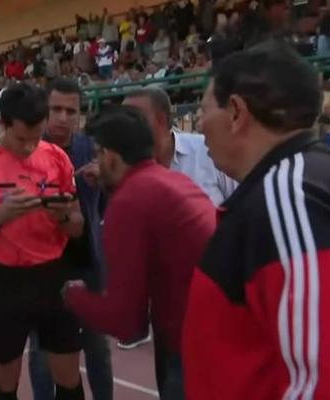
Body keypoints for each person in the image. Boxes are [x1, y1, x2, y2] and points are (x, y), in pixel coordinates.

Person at [184, 41, 330, 399]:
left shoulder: (290, 196)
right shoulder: (317, 175)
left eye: (203, 110)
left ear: (236, 112)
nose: (200, 125)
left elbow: (328, 381)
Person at [63, 105, 216, 400]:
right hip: (214, 331)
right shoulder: (170, 180)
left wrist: (73, 295)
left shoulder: (130, 202)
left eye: (97, 155)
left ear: (110, 156)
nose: (95, 163)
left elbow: (127, 323)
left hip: (193, 345)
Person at [0, 83, 85, 400]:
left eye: (36, 138)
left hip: (54, 277)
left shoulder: (57, 158)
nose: (29, 147)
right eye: (21, 139)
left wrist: (62, 217)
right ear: (2, 123)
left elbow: (77, 228)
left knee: (69, 377)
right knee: (4, 381)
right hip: (3, 283)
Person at [28, 78, 113, 400]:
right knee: (41, 351)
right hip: (41, 267)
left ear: (81, 113)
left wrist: (105, 181)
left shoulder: (91, 149)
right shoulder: (27, 149)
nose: (63, 118)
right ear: (44, 110)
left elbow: (106, 207)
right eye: (56, 109)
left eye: (71, 111)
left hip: (87, 265)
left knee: (97, 347)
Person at [122, 87, 237, 205]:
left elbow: (242, 203)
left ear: (161, 119)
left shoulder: (206, 150)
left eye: (133, 119)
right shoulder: (123, 169)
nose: (126, 128)